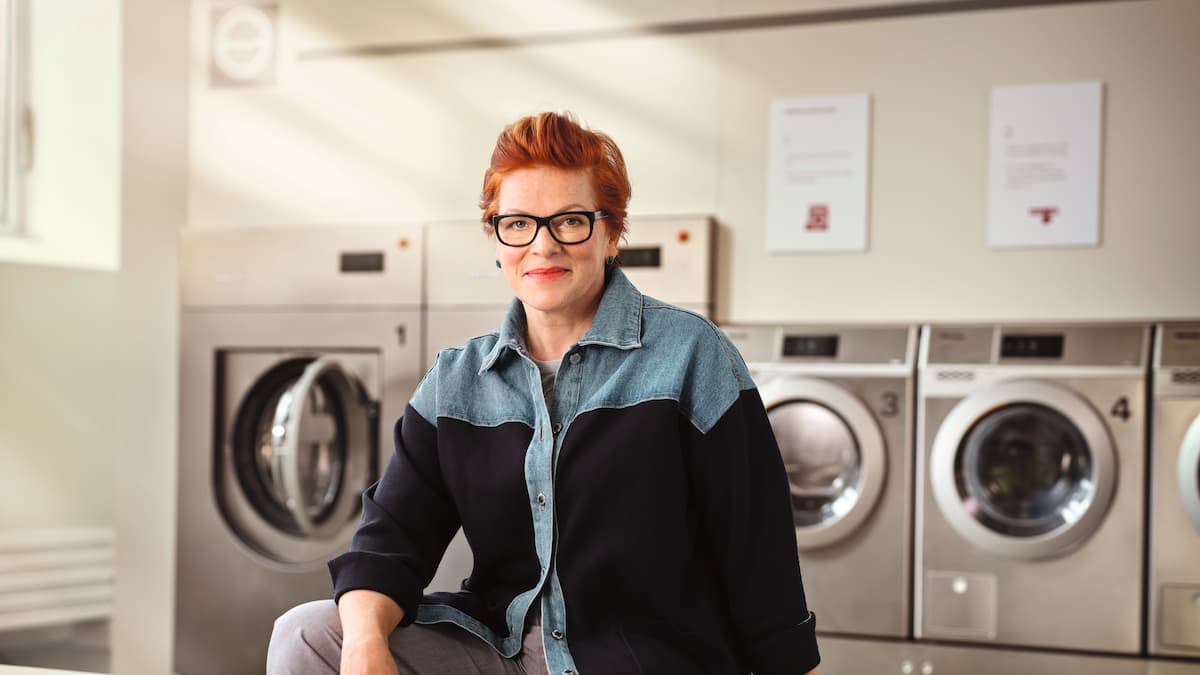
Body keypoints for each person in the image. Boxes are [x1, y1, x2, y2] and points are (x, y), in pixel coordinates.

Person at [267, 112, 820, 675]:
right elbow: (390, 541)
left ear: (611, 232)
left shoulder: (690, 357)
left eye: (570, 221)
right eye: (519, 224)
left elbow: (760, 561)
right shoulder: (457, 381)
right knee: (306, 637)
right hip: (502, 650)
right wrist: (363, 646)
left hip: (639, 659)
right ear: (497, 238)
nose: (543, 245)